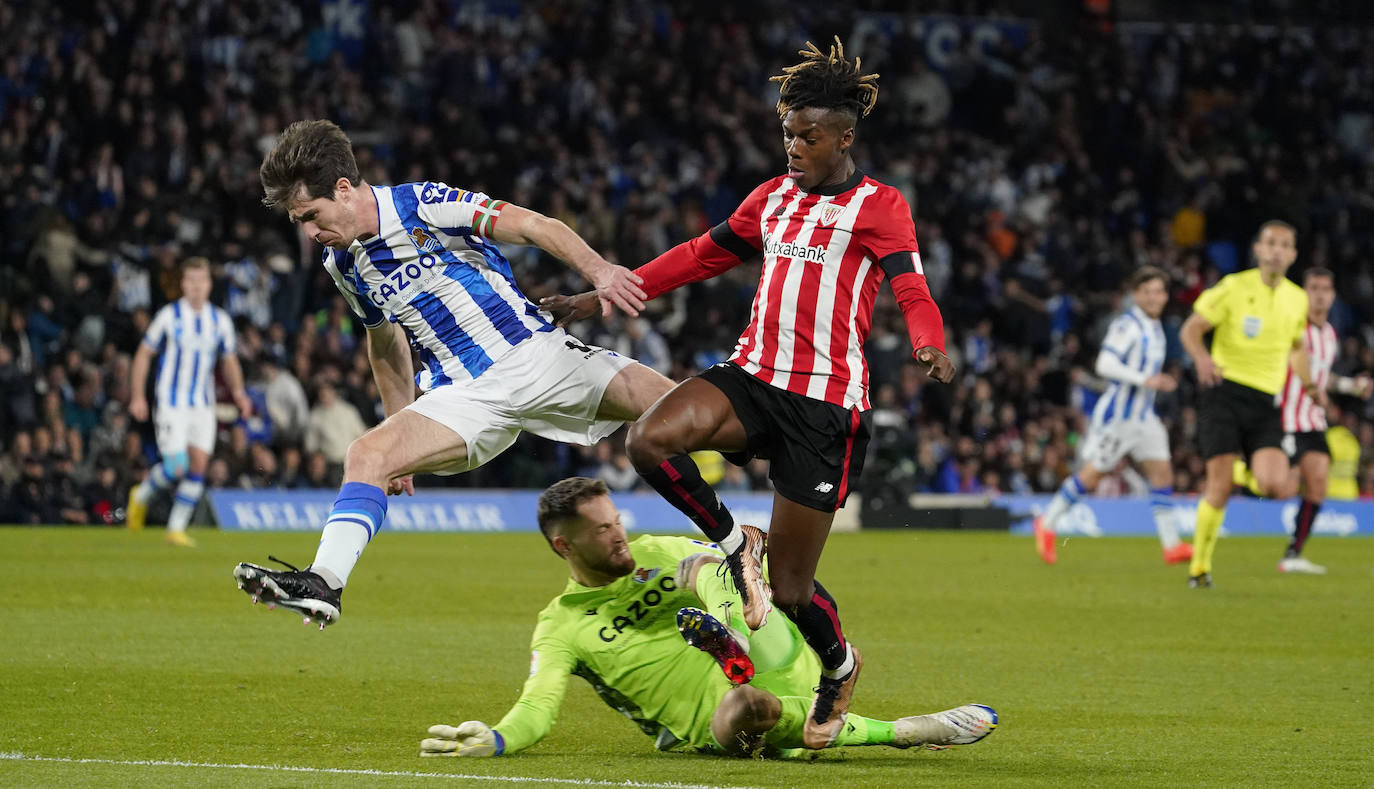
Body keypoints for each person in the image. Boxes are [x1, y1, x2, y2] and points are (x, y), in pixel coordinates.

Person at [544, 39, 954, 748]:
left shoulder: (881, 207)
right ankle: (736, 544)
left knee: (793, 594)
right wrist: (598, 297)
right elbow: (701, 255)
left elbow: (912, 286)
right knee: (649, 438)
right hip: (752, 378)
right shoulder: (770, 198)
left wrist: (929, 341)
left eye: (808, 135)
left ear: (845, 138)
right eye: (787, 133)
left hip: (824, 406)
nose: (793, 146)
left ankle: (840, 662)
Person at [233, 120, 675, 628]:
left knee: (690, 410)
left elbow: (533, 226)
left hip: (539, 356)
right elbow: (384, 343)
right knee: (367, 454)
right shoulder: (343, 263)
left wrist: (599, 272)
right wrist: (402, 433)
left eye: (311, 215)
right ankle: (325, 583)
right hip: (463, 396)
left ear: (343, 188)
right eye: (299, 223)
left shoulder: (422, 204)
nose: (310, 233)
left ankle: (755, 536)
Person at [418, 477, 997, 758]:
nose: (617, 534)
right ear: (563, 547)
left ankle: (744, 647)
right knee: (751, 708)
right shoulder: (561, 625)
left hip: (768, 650)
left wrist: (736, 611)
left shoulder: (652, 552)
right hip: (719, 721)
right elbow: (537, 709)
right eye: (600, 531)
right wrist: (495, 739)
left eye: (615, 519)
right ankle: (902, 730)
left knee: (743, 579)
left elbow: (711, 569)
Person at [1178, 220, 1320, 588]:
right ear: (1257, 249)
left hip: (1264, 401)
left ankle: (1236, 473)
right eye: (1270, 243)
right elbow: (1191, 329)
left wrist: (1309, 385)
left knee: (1276, 484)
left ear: (1293, 254)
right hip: (1224, 391)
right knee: (1219, 489)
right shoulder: (1233, 287)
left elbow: (1296, 346)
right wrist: (1201, 359)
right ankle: (1199, 567)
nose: (1276, 250)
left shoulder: (1297, 298)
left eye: (1284, 245)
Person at [1032, 267, 1192, 565]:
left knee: (1162, 474)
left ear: (1165, 295)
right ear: (1136, 295)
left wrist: (1158, 381)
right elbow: (1105, 364)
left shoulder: (1155, 327)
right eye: (1147, 292)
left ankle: (1171, 546)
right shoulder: (1127, 325)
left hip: (1145, 417)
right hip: (1120, 417)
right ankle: (1047, 523)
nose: (1154, 297)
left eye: (1159, 291)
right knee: (1091, 477)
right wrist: (1145, 379)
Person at [1249, 268, 1371, 574]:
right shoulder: (1292, 326)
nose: (1319, 294)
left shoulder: (1329, 334)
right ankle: (1242, 473)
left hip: (1312, 420)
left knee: (1318, 485)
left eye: (1325, 289)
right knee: (1279, 488)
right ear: (1304, 292)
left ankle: (1293, 554)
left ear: (1332, 296)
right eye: (1313, 288)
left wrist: (1349, 387)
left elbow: (1321, 376)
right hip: (1284, 418)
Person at [126, 257, 252, 547]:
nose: (196, 286)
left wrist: (240, 393)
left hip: (202, 405)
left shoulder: (219, 321)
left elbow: (229, 360)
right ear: (183, 284)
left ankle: (175, 529)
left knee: (198, 466)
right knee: (177, 467)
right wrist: (137, 396)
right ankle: (140, 495)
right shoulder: (169, 316)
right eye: (191, 281)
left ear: (208, 284)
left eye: (201, 281)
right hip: (171, 402)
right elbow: (144, 354)